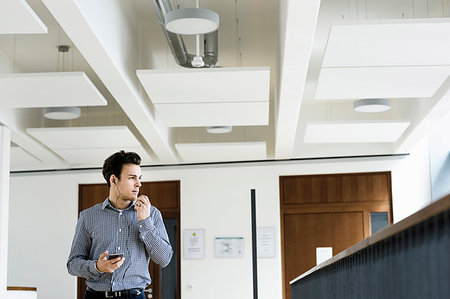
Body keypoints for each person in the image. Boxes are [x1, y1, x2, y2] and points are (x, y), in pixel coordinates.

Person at [67, 150, 173, 299]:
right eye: (132, 178)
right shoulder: (88, 216)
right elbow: (72, 264)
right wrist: (97, 267)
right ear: (114, 180)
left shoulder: (152, 214)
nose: (139, 183)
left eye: (139, 178)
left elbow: (164, 259)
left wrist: (145, 222)